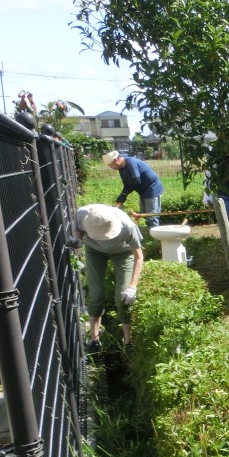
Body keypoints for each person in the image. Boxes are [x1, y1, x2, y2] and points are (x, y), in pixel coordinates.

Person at [74, 203, 144, 352]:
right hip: (94, 251)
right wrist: (76, 240)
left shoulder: (127, 226)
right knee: (95, 294)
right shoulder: (82, 214)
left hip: (123, 253)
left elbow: (139, 257)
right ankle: (94, 341)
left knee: (123, 298)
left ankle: (128, 342)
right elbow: (78, 231)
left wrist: (132, 287)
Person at [103, 150, 163, 229]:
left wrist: (124, 194)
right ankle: (149, 233)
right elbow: (127, 185)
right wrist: (122, 197)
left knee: (151, 217)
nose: (111, 167)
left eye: (111, 165)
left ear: (116, 160)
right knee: (144, 215)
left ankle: (155, 235)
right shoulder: (121, 169)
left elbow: (136, 181)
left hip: (152, 189)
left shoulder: (131, 163)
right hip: (143, 191)